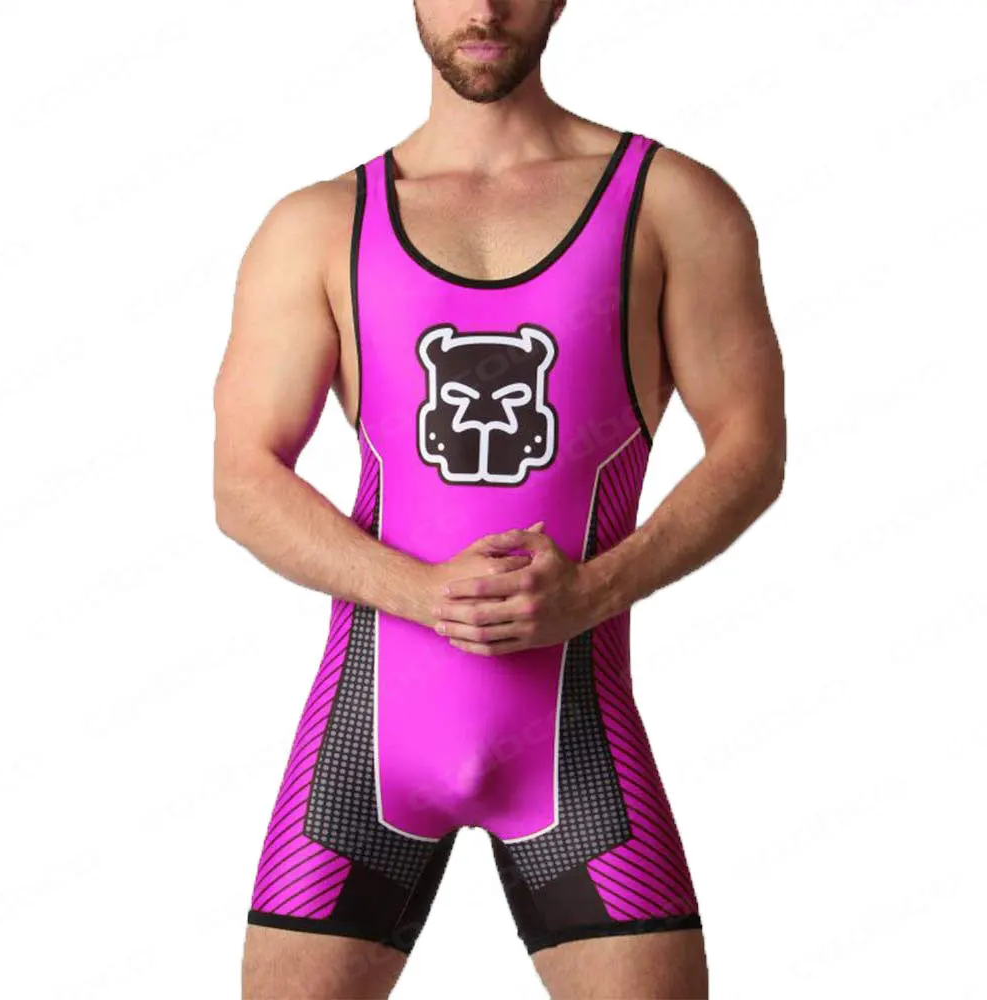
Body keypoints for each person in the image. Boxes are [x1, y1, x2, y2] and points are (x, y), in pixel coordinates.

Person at [214, 1, 785, 997]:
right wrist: (422, 591)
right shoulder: (319, 225)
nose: (482, 7)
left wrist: (596, 589)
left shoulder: (669, 203)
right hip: (365, 749)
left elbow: (750, 448)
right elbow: (242, 479)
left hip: (578, 748)